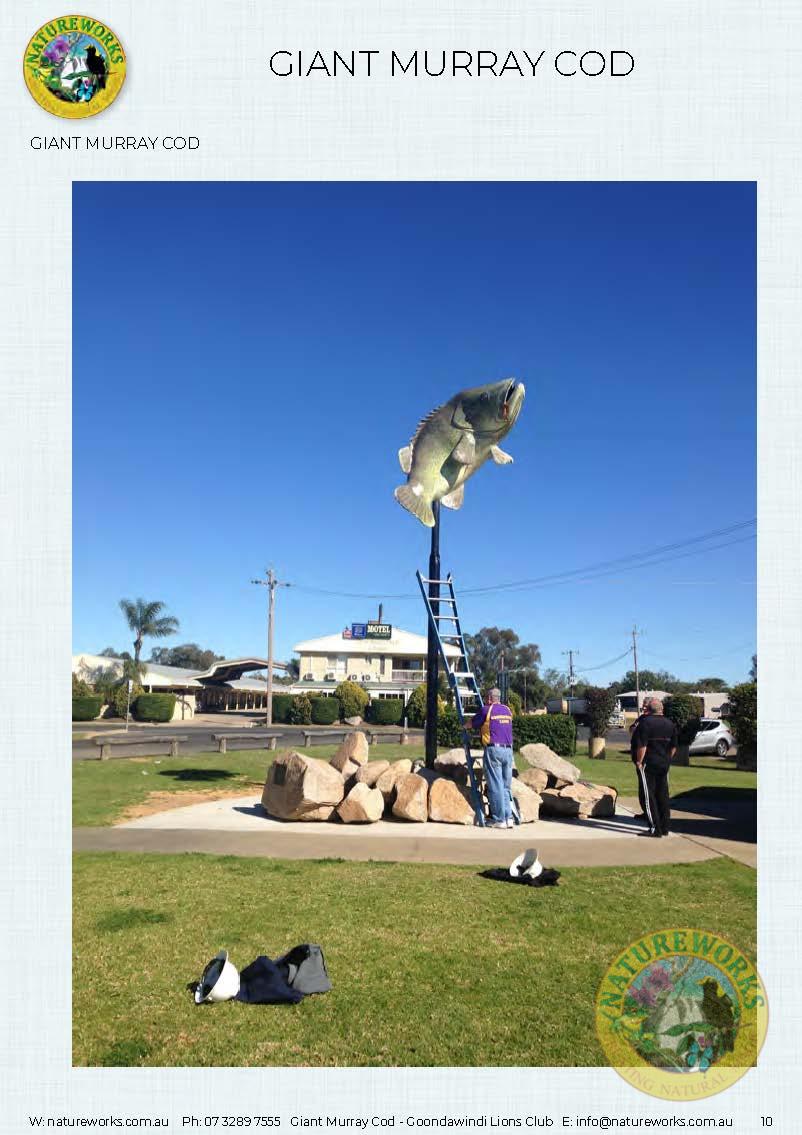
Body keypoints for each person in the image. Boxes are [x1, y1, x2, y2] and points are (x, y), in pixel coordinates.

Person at [632, 698, 678, 837]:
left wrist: (639, 761)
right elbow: (674, 747)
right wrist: (668, 759)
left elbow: (642, 745)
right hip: (664, 763)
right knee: (662, 795)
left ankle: (655, 829)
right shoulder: (670, 724)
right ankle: (665, 827)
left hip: (649, 763)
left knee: (648, 796)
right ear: (661, 709)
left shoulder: (645, 723)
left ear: (649, 710)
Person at [471, 688, 514, 829]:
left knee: (495, 785)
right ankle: (509, 818)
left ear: (490, 698)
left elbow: (473, 723)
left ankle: (499, 819)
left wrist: (463, 726)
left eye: (486, 698)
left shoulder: (486, 710)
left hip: (493, 750)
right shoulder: (507, 710)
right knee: (506, 786)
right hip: (508, 750)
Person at [629, 696, 653, 817]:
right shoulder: (641, 718)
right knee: (642, 787)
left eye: (645, 705)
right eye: (643, 704)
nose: (643, 707)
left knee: (648, 787)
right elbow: (631, 729)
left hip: (645, 759)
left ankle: (651, 813)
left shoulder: (651, 720)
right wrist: (634, 728)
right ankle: (645, 811)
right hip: (637, 756)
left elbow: (644, 743)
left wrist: (640, 760)